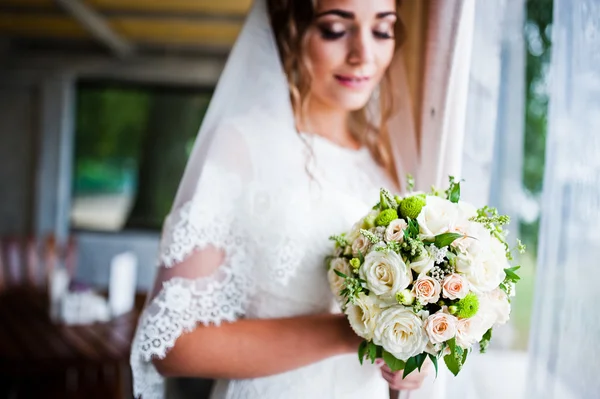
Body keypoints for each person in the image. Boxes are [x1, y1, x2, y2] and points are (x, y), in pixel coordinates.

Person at [130, 0, 448, 398]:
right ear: (290, 31)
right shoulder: (242, 145)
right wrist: (354, 332)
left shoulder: (384, 167)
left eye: (382, 30)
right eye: (335, 29)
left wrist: (407, 367)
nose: (363, 54)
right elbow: (173, 343)